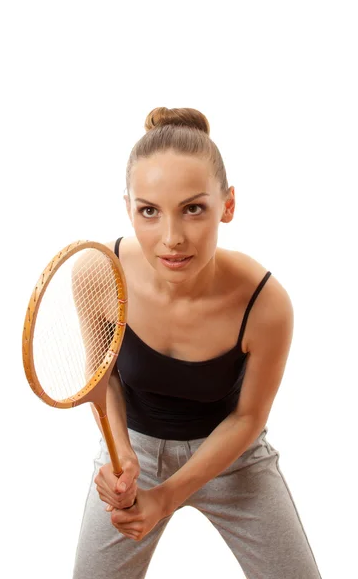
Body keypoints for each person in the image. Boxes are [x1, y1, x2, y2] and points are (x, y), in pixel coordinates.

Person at [72, 107, 322, 578]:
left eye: (193, 208)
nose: (171, 238)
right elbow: (101, 380)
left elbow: (248, 418)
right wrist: (122, 453)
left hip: (231, 456)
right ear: (128, 207)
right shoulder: (98, 273)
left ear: (226, 205)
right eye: (149, 211)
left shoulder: (265, 304)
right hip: (135, 452)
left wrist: (166, 496)